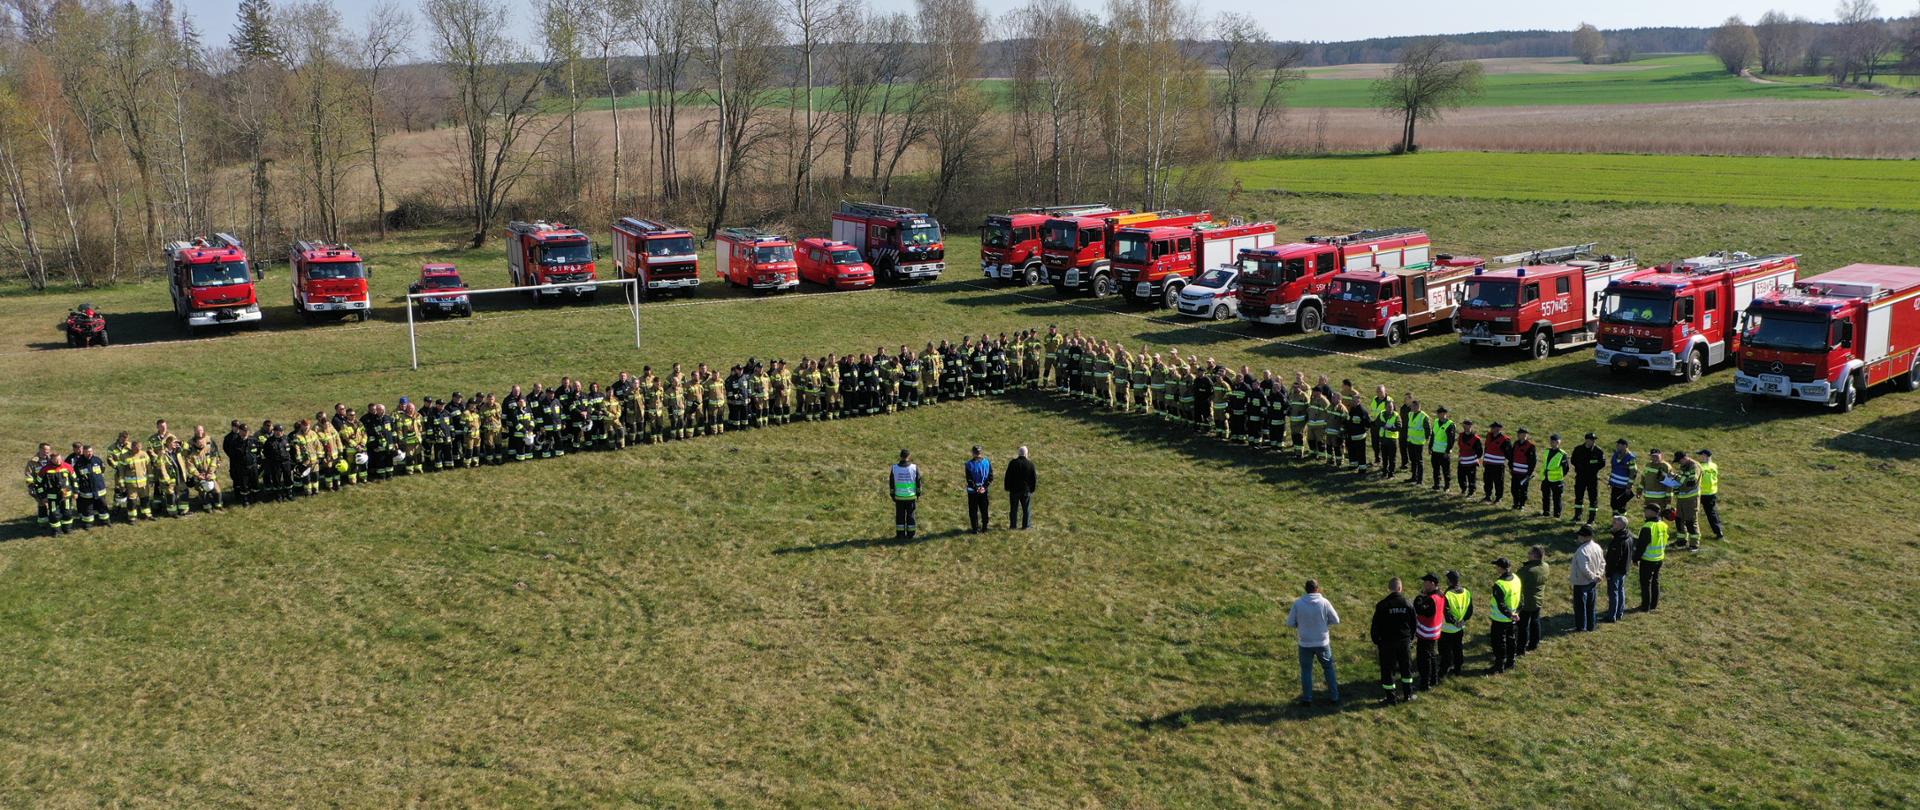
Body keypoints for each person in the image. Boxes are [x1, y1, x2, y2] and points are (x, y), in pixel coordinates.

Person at [1287, 579, 1341, 706]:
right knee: (1328, 668)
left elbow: (1290, 623)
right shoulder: (1324, 603)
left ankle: (1307, 699)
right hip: (1322, 642)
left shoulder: (1298, 603)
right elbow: (1336, 620)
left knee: (1306, 670)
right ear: (1318, 589)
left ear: (1306, 589)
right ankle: (1334, 697)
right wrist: (1325, 624)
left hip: (1305, 642)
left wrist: (1300, 625)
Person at [1370, 577, 1417, 704]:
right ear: (1400, 588)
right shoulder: (1408, 604)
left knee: (1387, 671)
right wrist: (1410, 638)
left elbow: (1375, 626)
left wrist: (1377, 641)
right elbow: (1414, 624)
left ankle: (1391, 698)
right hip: (1404, 642)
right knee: (1406, 668)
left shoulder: (1382, 605)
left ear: (1389, 588)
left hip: (1386, 643)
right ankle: (1408, 695)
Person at [1412, 573, 1447, 691]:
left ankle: (1425, 684)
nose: (1423, 584)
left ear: (1432, 583)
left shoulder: (1431, 599)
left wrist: (1420, 597)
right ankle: (1433, 679)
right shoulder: (1441, 595)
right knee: (1431, 656)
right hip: (1435, 631)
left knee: (1423, 659)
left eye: (1425, 582)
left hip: (1426, 634)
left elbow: (1420, 609)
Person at [1633, 503, 1670, 612]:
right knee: (1655, 581)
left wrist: (1636, 558)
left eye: (1646, 510)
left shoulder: (1648, 527)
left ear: (1652, 512)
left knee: (1645, 583)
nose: (1644, 512)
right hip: (1659, 558)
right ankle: (1654, 604)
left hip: (1648, 559)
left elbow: (1641, 546)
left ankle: (1645, 606)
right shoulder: (1663, 524)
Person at [1488, 557, 1521, 673]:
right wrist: (1516, 613)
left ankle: (1499, 665)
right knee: (1511, 640)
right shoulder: (1516, 579)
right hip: (1513, 617)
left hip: (1500, 619)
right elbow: (1521, 598)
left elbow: (1501, 604)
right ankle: (1511, 662)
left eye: (1497, 566)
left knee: (1499, 642)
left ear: (1501, 568)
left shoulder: (1499, 584)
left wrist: (1509, 614)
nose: (1496, 568)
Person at [1570, 525, 1605, 632]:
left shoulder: (1582, 550)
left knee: (1580, 607)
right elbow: (1602, 562)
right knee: (1591, 606)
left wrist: (1593, 577)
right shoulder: (1597, 547)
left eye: (1580, 535)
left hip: (1582, 582)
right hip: (1593, 582)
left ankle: (1581, 627)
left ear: (1586, 537)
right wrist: (1598, 575)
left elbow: (1583, 568)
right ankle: (1591, 625)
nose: (1578, 537)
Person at [1440, 570, 1472, 679]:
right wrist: (1463, 621)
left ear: (1449, 581)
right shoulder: (1466, 592)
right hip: (1460, 628)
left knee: (1446, 652)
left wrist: (1454, 622)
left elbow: (1446, 612)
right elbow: (1470, 610)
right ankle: (1458, 669)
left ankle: (1444, 670)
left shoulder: (1447, 594)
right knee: (1458, 649)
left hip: (1447, 629)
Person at [1517, 545, 1548, 654]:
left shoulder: (1527, 570)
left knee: (1523, 626)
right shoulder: (1545, 566)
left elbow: (1516, 583)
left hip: (1527, 602)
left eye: (1530, 553)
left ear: (1534, 555)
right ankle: (1534, 644)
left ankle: (1520, 648)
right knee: (1535, 621)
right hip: (1538, 600)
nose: (1528, 554)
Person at [1571, 432, 1606, 524]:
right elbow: (1573, 460)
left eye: (1594, 440)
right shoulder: (1578, 449)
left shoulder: (1598, 451)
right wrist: (1580, 468)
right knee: (1579, 496)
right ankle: (1577, 515)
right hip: (1580, 477)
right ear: (1586, 440)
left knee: (1593, 498)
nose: (1593, 442)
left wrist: (1593, 469)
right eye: (1591, 439)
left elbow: (1602, 463)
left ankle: (1592, 518)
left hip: (1592, 478)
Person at [1671, 450, 1702, 552]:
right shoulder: (1684, 466)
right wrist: (1675, 487)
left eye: (1679, 461)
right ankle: (1681, 540)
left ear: (1684, 458)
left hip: (1691, 499)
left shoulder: (1694, 466)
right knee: (1679, 519)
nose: (1679, 463)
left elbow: (1690, 482)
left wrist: (1675, 477)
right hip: (1682, 497)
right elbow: (1682, 481)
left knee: (1691, 521)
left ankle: (1694, 545)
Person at [1603, 515, 1633, 623]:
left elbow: (1614, 559)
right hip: (1624, 569)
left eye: (1614, 523)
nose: (1612, 525)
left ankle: (1612, 616)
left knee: (1613, 592)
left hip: (1616, 570)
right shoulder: (1628, 536)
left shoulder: (1619, 540)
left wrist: (1608, 572)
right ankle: (1619, 613)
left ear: (1620, 525)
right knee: (1620, 590)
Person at [890, 449, 923, 540]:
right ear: (909, 456)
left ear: (900, 456)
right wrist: (918, 494)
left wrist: (892, 495)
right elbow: (918, 482)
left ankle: (900, 535)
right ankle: (911, 535)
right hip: (911, 497)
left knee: (900, 516)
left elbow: (892, 483)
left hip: (899, 497)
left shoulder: (894, 468)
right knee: (911, 516)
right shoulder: (914, 468)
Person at [1005, 446, 1036, 530]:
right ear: (1026, 454)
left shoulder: (1013, 463)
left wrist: (1007, 487)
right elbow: (1033, 478)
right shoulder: (1030, 464)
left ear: (1018, 453)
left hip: (1014, 490)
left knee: (1014, 509)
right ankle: (1026, 526)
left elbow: (1008, 476)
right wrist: (1032, 489)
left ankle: (1013, 525)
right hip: (1026, 490)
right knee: (1026, 509)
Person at [1540, 433, 1570, 518]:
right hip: (1545, 477)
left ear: (1558, 442)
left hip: (1557, 479)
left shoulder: (1562, 454)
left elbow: (1566, 468)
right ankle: (1546, 512)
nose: (1552, 443)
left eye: (1554, 441)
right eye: (1551, 441)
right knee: (1545, 496)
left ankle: (1557, 514)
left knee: (1557, 498)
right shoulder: (1547, 451)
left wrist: (1560, 475)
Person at [1698, 448, 1724, 542]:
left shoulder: (1700, 466)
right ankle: (1719, 530)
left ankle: (1691, 531)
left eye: (1700, 455)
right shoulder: (1714, 465)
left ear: (1705, 456)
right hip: (1712, 492)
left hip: (1701, 493)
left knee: (1694, 512)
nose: (1699, 457)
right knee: (1712, 512)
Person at [965, 445, 993, 534]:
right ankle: (985, 527)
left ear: (973, 453)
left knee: (973, 510)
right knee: (984, 509)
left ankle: (975, 529)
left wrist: (976, 488)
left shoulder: (969, 464)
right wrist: (984, 487)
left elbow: (969, 479)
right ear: (981, 453)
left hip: (973, 492)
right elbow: (990, 477)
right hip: (983, 491)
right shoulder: (987, 462)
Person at [1427, 406, 1454, 492]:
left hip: (1444, 452)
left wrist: (1447, 451)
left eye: (1439, 413)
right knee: (1435, 469)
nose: (1438, 415)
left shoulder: (1450, 424)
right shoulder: (1435, 422)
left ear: (1444, 414)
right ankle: (1436, 485)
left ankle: (1447, 486)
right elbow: (1433, 435)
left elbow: (1451, 440)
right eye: (1438, 413)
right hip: (1435, 451)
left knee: (1446, 470)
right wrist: (1430, 447)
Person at [1608, 438, 1638, 517]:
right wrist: (1610, 481)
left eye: (1619, 445)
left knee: (1621, 504)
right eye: (1617, 444)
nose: (1617, 446)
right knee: (1613, 503)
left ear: (1625, 446)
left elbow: (1633, 472)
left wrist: (1629, 486)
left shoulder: (1631, 457)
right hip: (1614, 484)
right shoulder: (1616, 454)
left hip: (1624, 485)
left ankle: (1622, 519)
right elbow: (1614, 468)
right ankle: (1615, 518)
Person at [1508, 427, 1536, 511]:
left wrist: (1529, 473)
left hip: (1524, 473)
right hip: (1515, 471)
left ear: (1524, 435)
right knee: (1514, 489)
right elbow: (1512, 456)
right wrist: (1510, 467)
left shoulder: (1531, 446)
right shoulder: (1516, 443)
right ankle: (1515, 503)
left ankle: (1522, 505)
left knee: (1523, 490)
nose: (1517, 435)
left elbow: (1533, 461)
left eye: (1519, 434)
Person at [1455, 420, 1481, 497]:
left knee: (1471, 478)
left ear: (1470, 426)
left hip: (1471, 462)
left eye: (1467, 425)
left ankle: (1471, 492)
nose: (1465, 427)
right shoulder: (1461, 435)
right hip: (1462, 460)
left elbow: (1479, 452)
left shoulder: (1476, 438)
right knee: (1461, 477)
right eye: (1464, 425)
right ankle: (1463, 490)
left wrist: (1474, 458)